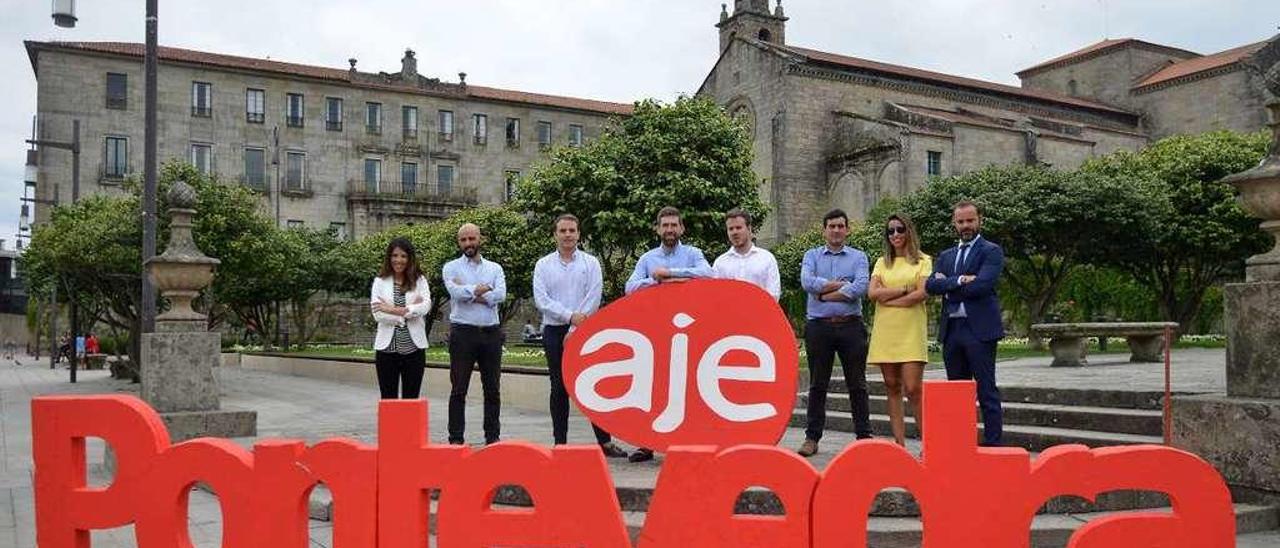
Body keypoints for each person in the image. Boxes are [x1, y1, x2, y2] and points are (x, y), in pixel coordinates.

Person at [532, 213, 629, 457]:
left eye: (572, 230)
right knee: (558, 386)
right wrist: (569, 317)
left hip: (585, 330)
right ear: (555, 234)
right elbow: (542, 300)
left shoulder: (591, 263)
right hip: (554, 331)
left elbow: (594, 297)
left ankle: (605, 442)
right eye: (563, 231)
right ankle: (560, 442)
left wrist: (576, 328)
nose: (567, 235)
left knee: (594, 385)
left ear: (578, 234)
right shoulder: (543, 265)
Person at [624, 206, 714, 462]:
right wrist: (657, 282)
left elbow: (708, 275)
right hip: (657, 333)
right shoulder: (647, 258)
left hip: (690, 331)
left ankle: (689, 441)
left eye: (674, 225)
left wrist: (672, 273)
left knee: (691, 385)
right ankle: (646, 444)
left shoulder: (693, 253)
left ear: (682, 228)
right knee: (653, 387)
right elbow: (630, 288)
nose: (670, 230)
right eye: (665, 225)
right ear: (658, 229)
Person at [926, 200, 1006, 447]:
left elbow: (983, 284)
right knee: (957, 394)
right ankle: (962, 444)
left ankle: (993, 443)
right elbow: (931, 286)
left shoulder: (991, 251)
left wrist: (948, 286)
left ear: (979, 220)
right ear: (954, 223)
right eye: (961, 221)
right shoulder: (947, 255)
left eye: (970, 220)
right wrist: (960, 280)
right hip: (953, 331)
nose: (966, 226)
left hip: (979, 331)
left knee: (986, 390)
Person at [797, 209, 873, 457]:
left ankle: (863, 436)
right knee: (818, 384)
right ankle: (812, 437)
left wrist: (824, 292)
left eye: (841, 226)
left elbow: (861, 286)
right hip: (820, 327)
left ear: (847, 229)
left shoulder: (859, 256)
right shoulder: (811, 255)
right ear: (824, 230)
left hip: (851, 325)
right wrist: (842, 284)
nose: (837, 230)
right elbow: (807, 282)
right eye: (832, 226)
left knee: (857, 384)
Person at [866, 214, 932, 446]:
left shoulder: (923, 260)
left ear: (909, 231)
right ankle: (900, 445)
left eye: (900, 229)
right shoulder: (882, 262)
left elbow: (922, 293)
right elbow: (872, 294)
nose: (895, 235)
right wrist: (905, 289)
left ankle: (927, 443)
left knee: (914, 388)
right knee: (892, 386)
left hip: (911, 332)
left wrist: (889, 297)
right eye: (890, 231)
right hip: (886, 332)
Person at [443, 223, 507, 445]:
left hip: (490, 334)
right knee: (459, 389)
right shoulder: (450, 267)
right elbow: (454, 292)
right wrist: (481, 290)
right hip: (463, 333)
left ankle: (492, 438)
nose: (468, 243)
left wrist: (469, 291)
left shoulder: (495, 268)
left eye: (472, 238)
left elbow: (500, 295)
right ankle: (456, 439)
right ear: (459, 242)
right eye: (463, 240)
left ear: (480, 239)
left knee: (492, 389)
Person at [370, 237, 432, 399]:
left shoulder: (420, 280)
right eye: (395, 255)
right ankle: (392, 426)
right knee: (388, 398)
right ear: (389, 257)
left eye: (403, 256)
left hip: (414, 349)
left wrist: (391, 309)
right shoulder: (380, 282)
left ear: (410, 258)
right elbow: (378, 314)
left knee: (411, 399)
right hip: (387, 350)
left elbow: (425, 307)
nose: (399, 260)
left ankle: (408, 426)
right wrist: (408, 313)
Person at [712, 208, 781, 301]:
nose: (734, 232)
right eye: (731, 229)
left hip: (759, 313)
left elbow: (773, 295)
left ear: (749, 229)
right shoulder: (720, 263)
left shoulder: (767, 259)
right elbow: (716, 295)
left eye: (739, 228)